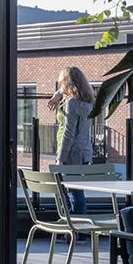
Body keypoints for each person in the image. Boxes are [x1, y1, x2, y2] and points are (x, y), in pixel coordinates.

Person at [48, 66, 95, 219]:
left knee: (72, 191)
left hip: (70, 151)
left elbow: (69, 133)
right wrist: (58, 94)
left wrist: (60, 158)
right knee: (75, 189)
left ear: (67, 83)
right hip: (84, 151)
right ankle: (75, 228)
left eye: (62, 83)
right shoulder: (88, 101)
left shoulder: (72, 103)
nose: (60, 87)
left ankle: (76, 229)